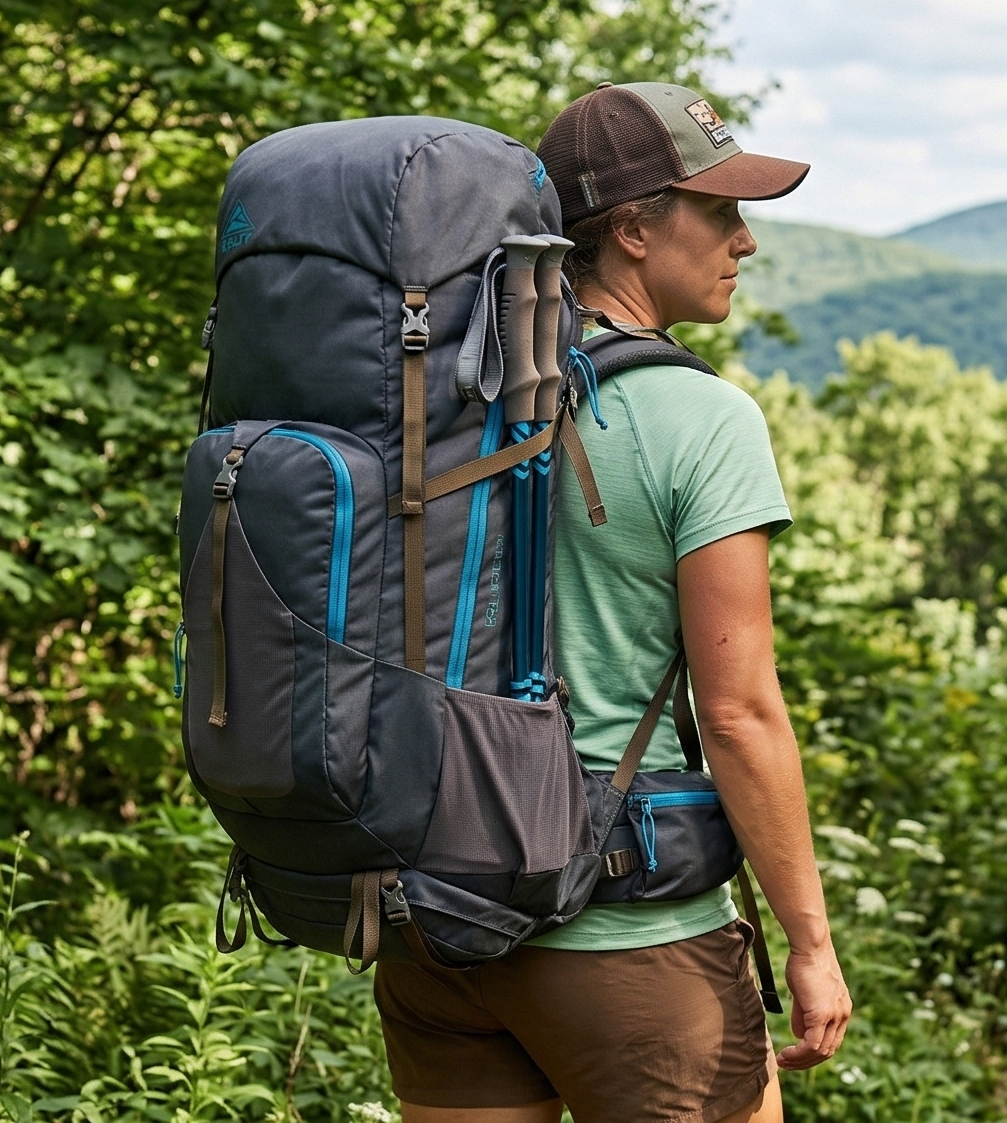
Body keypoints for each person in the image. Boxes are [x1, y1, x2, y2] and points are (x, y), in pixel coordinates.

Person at [374, 81, 851, 1123]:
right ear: (631, 230)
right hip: (623, 935)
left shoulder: (441, 395)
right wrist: (809, 945)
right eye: (719, 211)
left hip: (435, 924)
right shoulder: (699, 417)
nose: (745, 240)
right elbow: (738, 710)